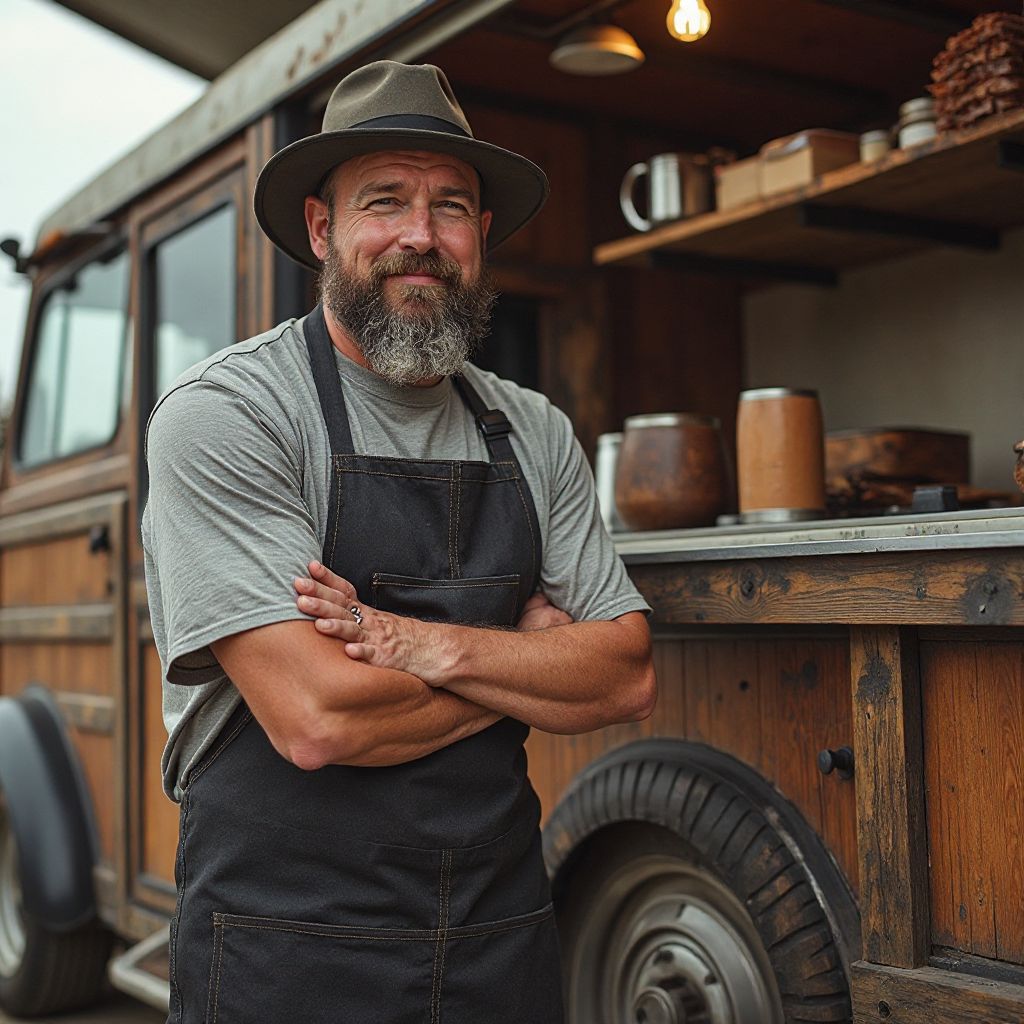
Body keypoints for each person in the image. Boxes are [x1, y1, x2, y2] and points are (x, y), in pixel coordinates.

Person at [143, 60, 656, 1024]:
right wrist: (530, 663)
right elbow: (319, 718)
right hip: (285, 947)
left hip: (500, 939)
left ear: (480, 234)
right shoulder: (231, 414)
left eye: (450, 206)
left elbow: (624, 675)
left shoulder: (534, 429)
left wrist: (422, 644)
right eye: (385, 200)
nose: (422, 235)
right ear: (321, 228)